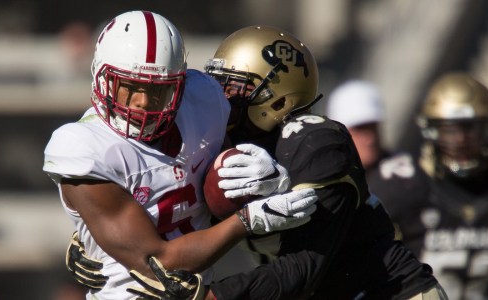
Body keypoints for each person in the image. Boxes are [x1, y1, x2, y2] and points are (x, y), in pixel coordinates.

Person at [67, 25, 446, 300]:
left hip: (392, 292)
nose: (217, 95)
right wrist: (109, 243)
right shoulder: (219, 145)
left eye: (231, 87)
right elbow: (184, 215)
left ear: (278, 96)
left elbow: (303, 270)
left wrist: (211, 297)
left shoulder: (316, 141)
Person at [43, 11, 318, 299]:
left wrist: (266, 176)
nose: (143, 103)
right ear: (102, 78)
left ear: (179, 85)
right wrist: (246, 220)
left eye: (157, 91)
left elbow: (222, 183)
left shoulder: (203, 99)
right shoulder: (83, 147)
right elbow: (159, 262)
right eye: (131, 88)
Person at [366, 72, 488, 299]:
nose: (461, 141)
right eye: (450, 130)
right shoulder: (401, 183)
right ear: (430, 130)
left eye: (471, 128)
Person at [325, 79, 390, 173]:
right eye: (359, 129)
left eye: (372, 127)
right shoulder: (319, 180)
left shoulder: (406, 177)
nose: (370, 139)